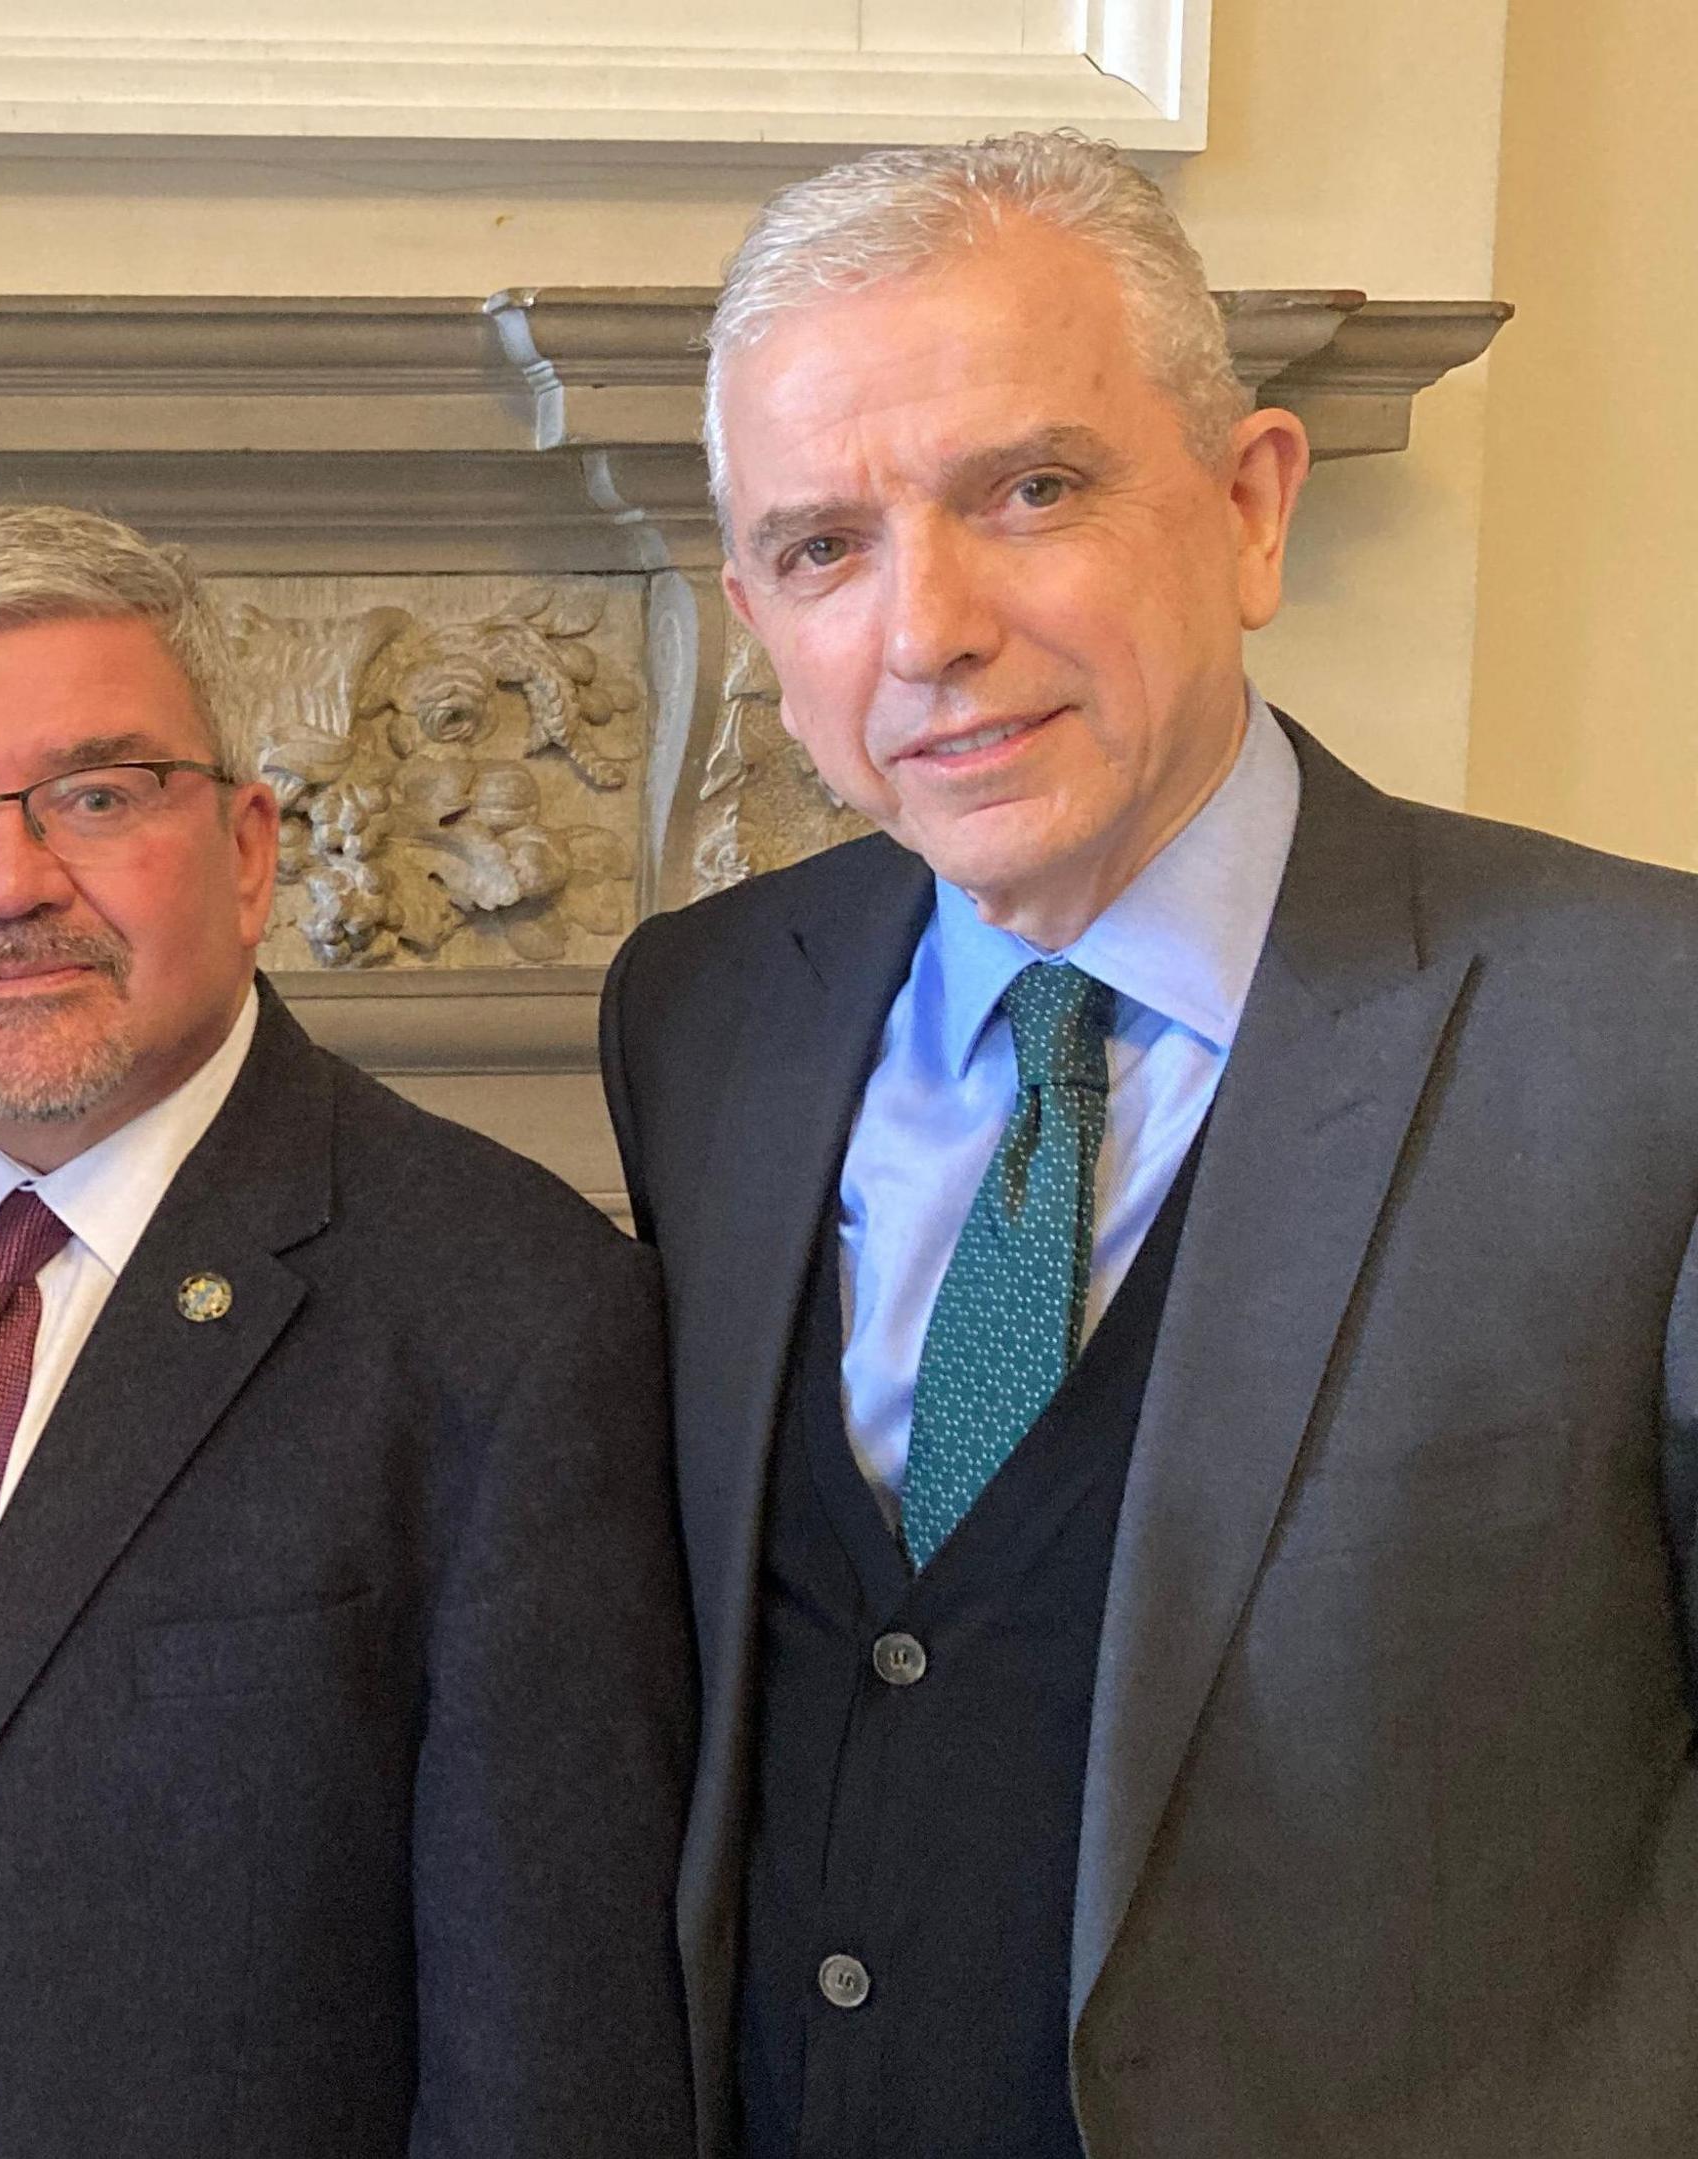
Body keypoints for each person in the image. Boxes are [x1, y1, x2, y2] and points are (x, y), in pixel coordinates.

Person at [603, 130, 1698, 2159]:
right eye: (826, 546)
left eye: (1029, 491)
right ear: (754, 606)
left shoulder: (1649, 1038)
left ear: (1251, 503)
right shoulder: (704, 1014)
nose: (925, 628)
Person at [0, 504, 697, 2159]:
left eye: (94, 794)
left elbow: (554, 2063)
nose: (9, 882)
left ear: (247, 846)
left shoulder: (509, 1308)